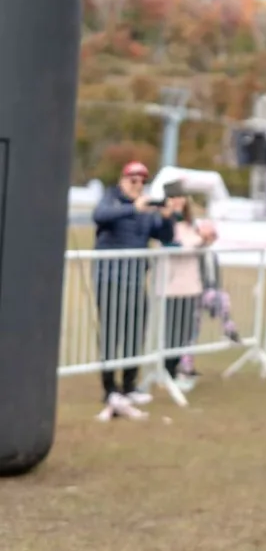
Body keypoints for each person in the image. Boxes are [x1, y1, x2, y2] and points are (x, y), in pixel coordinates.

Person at [92, 161, 179, 420]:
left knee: (134, 333)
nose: (138, 184)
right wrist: (131, 208)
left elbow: (165, 236)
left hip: (135, 280)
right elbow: (99, 216)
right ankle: (110, 389)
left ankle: (129, 385)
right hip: (109, 279)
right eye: (133, 180)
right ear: (123, 179)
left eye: (142, 181)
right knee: (111, 335)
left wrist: (167, 218)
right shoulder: (112, 199)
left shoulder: (145, 208)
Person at [158, 191, 217, 392]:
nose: (178, 202)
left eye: (180, 197)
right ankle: (168, 371)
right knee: (171, 330)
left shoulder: (190, 224)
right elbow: (177, 246)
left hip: (191, 284)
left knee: (184, 330)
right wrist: (200, 240)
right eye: (174, 197)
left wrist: (206, 240)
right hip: (172, 285)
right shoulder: (165, 223)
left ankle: (177, 369)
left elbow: (194, 247)